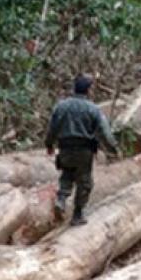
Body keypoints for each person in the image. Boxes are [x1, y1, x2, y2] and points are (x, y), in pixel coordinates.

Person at [45, 74, 119, 226]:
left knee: (67, 175)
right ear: (89, 90)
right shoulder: (93, 109)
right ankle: (77, 214)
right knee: (84, 182)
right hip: (84, 150)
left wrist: (49, 144)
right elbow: (104, 132)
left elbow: (52, 128)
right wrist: (113, 149)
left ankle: (61, 199)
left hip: (65, 148)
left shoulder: (61, 106)